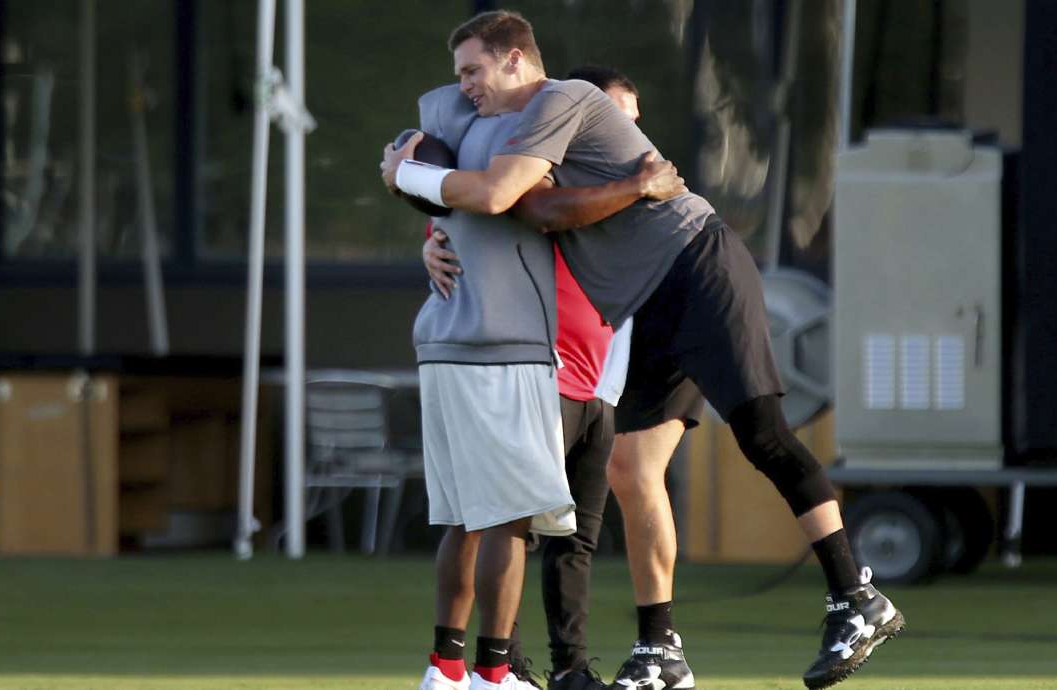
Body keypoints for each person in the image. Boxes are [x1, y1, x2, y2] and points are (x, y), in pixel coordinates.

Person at [382, 11, 904, 690]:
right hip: (644, 299)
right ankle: (660, 648)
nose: (466, 87)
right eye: (460, 76)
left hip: (696, 266)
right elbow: (470, 176)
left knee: (762, 433)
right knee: (631, 467)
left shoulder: (560, 98)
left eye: (474, 70)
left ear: (517, 60)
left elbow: (523, 204)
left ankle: (855, 596)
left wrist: (411, 179)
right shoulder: (502, 119)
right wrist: (433, 224)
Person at [408, 60, 687, 690]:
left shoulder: (632, 192)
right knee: (499, 522)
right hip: (533, 373)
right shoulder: (544, 183)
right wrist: (422, 218)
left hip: (598, 384)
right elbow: (488, 209)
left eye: (634, 122)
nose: (627, 134)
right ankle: (487, 668)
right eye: (615, 118)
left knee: (572, 536)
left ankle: (565, 669)